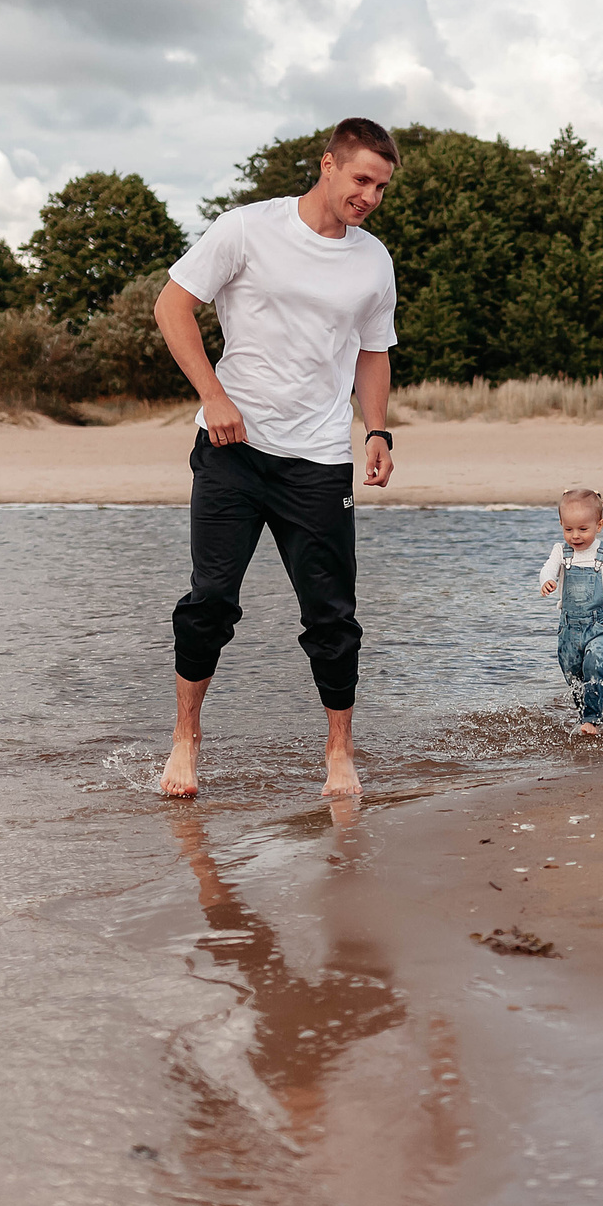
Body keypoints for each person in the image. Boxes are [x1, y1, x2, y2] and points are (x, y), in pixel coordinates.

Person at [154, 118, 401, 799]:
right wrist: (214, 394)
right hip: (232, 449)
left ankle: (340, 752)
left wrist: (376, 430)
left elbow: (374, 349)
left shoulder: (373, 260)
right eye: (361, 179)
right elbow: (172, 307)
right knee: (210, 602)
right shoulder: (246, 228)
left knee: (332, 614)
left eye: (381, 186)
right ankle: (186, 739)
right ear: (327, 164)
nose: (370, 196)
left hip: (318, 459)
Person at [536, 488, 603, 736]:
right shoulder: (560, 552)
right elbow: (547, 569)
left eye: (583, 529)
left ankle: (592, 719)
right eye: (568, 529)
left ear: (599, 524)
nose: (575, 536)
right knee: (572, 672)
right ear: (561, 524)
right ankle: (586, 713)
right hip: (570, 626)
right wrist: (547, 581)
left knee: (595, 661)